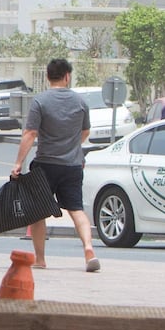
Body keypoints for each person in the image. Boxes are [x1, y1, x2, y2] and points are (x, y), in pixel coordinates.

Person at [11, 58, 100, 272]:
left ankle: (40, 259)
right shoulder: (80, 102)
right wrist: (72, 147)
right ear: (67, 76)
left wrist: (18, 163)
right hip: (72, 166)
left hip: (45, 165)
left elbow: (30, 133)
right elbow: (86, 132)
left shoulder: (40, 101)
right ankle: (88, 248)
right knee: (77, 210)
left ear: (48, 76)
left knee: (38, 212)